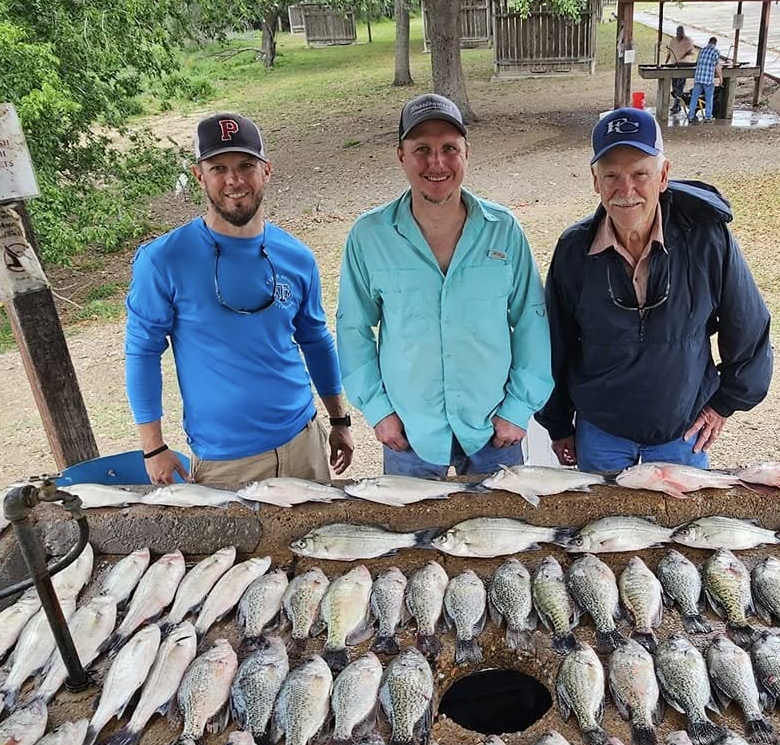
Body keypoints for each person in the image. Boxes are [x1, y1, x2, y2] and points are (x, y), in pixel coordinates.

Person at [124, 112, 353, 487]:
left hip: (303, 442)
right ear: (199, 176)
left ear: (266, 170)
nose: (234, 180)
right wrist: (153, 447)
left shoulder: (296, 256)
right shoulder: (163, 260)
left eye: (246, 165)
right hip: (226, 461)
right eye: (219, 168)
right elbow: (142, 351)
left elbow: (315, 339)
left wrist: (339, 420)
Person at [540, 108, 773, 471]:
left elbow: (748, 324)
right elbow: (555, 343)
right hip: (600, 432)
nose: (625, 190)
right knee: (603, 511)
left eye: (639, 174)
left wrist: (724, 403)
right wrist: (558, 425)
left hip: (681, 431)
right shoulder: (574, 250)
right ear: (595, 181)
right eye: (611, 175)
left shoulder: (707, 241)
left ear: (663, 176)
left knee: (681, 512)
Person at [336, 93, 552, 478]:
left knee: (499, 519)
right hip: (409, 433)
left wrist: (519, 409)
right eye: (422, 149)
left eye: (449, 148)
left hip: (493, 430)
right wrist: (379, 411)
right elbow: (353, 327)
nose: (436, 163)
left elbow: (532, 320)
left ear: (466, 153)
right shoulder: (369, 236)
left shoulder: (504, 230)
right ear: (401, 156)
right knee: (411, 521)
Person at [685, 35, 721, 123]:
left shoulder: (702, 50)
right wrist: (720, 77)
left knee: (694, 98)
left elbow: (698, 62)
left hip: (698, 78)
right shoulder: (716, 51)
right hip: (708, 80)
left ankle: (690, 116)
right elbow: (717, 66)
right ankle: (708, 117)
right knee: (709, 99)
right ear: (715, 43)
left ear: (709, 42)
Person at [665, 23, 698, 110]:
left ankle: (677, 104)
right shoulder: (673, 40)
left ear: (683, 33)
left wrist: (687, 53)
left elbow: (693, 52)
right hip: (674, 65)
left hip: (684, 66)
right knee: (674, 85)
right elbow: (669, 52)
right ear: (676, 33)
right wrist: (666, 62)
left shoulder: (688, 40)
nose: (680, 36)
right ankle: (677, 103)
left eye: (681, 34)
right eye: (678, 34)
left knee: (680, 85)